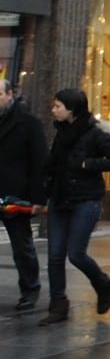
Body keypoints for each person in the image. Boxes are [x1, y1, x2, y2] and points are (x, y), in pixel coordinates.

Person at [38, 87, 110, 325]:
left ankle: (102, 283)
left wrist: (87, 164)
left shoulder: (96, 133)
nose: (53, 110)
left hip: (86, 200)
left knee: (76, 254)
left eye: (58, 106)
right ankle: (58, 304)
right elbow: (53, 163)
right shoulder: (62, 132)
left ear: (72, 109)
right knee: (55, 255)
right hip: (60, 198)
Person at [0, 75, 47, 314]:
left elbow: (40, 163)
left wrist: (38, 199)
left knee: (22, 245)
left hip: (15, 196)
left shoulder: (28, 123)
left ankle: (30, 289)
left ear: (9, 95)